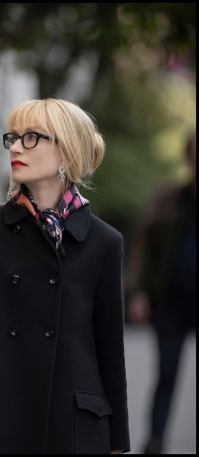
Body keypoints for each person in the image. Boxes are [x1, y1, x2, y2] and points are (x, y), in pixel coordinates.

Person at [0, 98, 130, 453]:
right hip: (0, 415)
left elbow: (110, 348)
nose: (16, 147)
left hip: (75, 425)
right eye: (14, 137)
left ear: (65, 152)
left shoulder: (104, 242)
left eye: (31, 137)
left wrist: (118, 443)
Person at [126, 132, 196, 454]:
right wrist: (138, 292)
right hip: (171, 301)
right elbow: (143, 251)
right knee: (167, 372)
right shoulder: (168, 199)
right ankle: (155, 440)